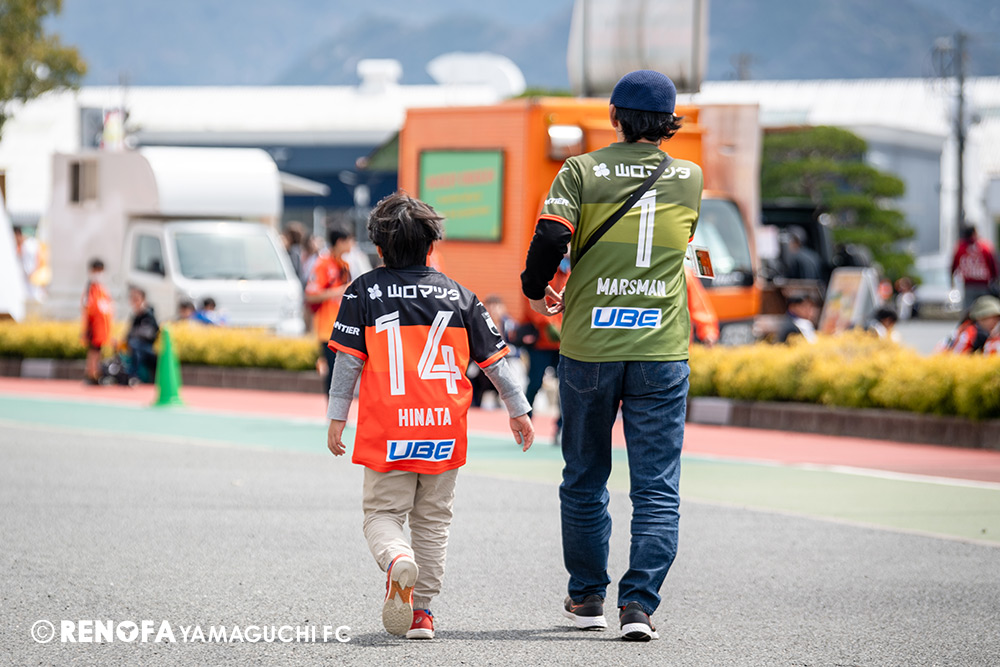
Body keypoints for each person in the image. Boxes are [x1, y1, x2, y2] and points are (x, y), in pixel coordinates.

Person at [521, 69, 702, 641]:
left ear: (615, 117)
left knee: (584, 476)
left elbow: (552, 236)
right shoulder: (690, 177)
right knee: (656, 485)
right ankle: (639, 607)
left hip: (590, 346)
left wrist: (535, 289)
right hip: (661, 348)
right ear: (669, 123)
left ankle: (587, 597)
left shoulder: (580, 170)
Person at [325, 192, 534, 640]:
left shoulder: (363, 291)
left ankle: (398, 558)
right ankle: (421, 614)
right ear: (431, 244)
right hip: (443, 430)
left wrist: (337, 416)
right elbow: (496, 362)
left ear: (378, 247)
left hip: (389, 431)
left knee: (382, 515)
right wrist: (518, 409)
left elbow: (347, 362)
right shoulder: (461, 296)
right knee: (434, 522)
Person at [306, 228, 353, 394]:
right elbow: (310, 295)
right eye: (349, 240)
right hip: (327, 328)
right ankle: (332, 407)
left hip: (344, 326)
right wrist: (341, 291)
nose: (352, 244)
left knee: (343, 373)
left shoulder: (344, 265)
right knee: (333, 372)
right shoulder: (323, 264)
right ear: (340, 242)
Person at [470, 294, 520, 408]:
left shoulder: (510, 325)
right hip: (484, 362)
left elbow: (519, 349)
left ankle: (515, 402)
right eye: (490, 308)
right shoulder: (479, 325)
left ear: (503, 308)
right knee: (471, 371)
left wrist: (507, 349)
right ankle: (475, 403)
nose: (493, 311)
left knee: (516, 367)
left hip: (507, 361)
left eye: (496, 307)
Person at [81, 259, 113, 385]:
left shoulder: (102, 289)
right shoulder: (91, 288)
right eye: (97, 270)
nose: (99, 274)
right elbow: (88, 307)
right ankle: (91, 374)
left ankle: (95, 373)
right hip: (94, 326)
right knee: (93, 352)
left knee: (98, 351)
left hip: (102, 328)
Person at [951, 225, 998, 309]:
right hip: (983, 284)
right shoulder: (984, 247)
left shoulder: (960, 248)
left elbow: (954, 265)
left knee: (969, 310)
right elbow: (992, 264)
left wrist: (951, 278)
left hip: (969, 284)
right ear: (974, 233)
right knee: (984, 309)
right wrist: (994, 278)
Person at [122, 286, 160, 383]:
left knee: (135, 346)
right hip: (136, 346)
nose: (134, 302)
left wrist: (133, 338)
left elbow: (149, 334)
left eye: (136, 299)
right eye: (132, 299)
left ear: (143, 300)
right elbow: (129, 333)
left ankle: (133, 375)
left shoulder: (148, 314)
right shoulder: (135, 316)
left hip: (148, 348)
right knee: (131, 346)